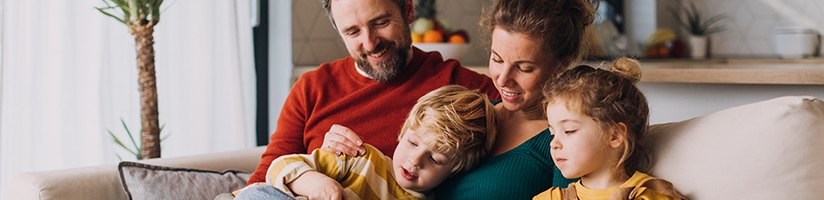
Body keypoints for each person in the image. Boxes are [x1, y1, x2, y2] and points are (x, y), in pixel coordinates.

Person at [323, 0, 597, 199]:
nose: (502, 79)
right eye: (496, 59)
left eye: (524, 68)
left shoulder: (565, 142)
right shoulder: (468, 115)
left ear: (563, 63)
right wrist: (333, 160)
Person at [246, 0, 499, 186]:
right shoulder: (312, 88)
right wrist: (318, 161)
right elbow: (263, 181)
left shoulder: (465, 90)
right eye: (353, 32)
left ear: (408, 10)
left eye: (380, 23)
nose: (370, 43)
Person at [235, 85, 497, 199]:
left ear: (455, 171)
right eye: (413, 143)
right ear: (402, 133)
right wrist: (318, 183)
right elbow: (279, 168)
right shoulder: (361, 159)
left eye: (435, 159)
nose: (414, 161)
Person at [534, 58, 684, 200]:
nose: (554, 144)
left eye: (569, 131)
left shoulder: (649, 195)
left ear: (615, 136)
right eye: (552, 134)